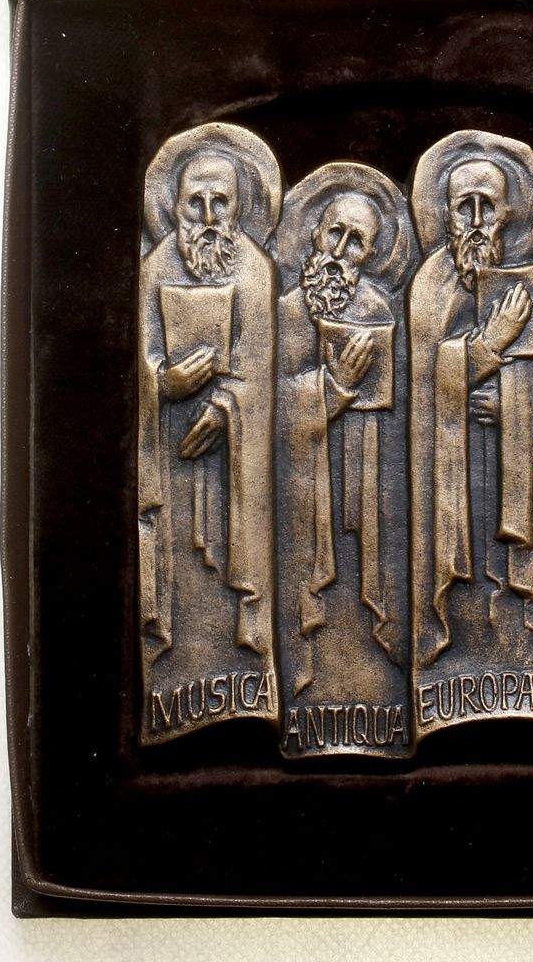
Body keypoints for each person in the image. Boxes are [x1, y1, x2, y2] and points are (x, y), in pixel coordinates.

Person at [138, 124, 282, 738]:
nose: (206, 217)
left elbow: (262, 374)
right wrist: (163, 384)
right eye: (193, 202)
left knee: (229, 573)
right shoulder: (153, 270)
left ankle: (245, 679)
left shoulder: (256, 271)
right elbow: (139, 362)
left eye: (220, 202)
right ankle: (175, 676)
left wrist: (226, 408)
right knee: (178, 567)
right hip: (171, 459)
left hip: (233, 469)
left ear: (240, 207)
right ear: (173, 208)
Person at [408, 131, 533, 730]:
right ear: (443, 215)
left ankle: (521, 667)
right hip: (450, 468)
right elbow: (423, 381)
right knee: (464, 583)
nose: (472, 221)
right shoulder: (429, 286)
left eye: (485, 207)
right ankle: (451, 660)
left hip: (509, 460)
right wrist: (489, 346)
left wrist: (513, 403)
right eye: (461, 206)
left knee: (508, 581)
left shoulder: (528, 282)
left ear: (509, 215)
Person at [275, 164, 416, 752]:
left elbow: (410, 410)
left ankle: (378, 701)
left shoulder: (383, 309)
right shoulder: (284, 311)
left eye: (356, 242)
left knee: (364, 597)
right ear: (313, 232)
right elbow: (266, 408)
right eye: (334, 233)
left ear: (372, 254)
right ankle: (304, 699)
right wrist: (331, 389)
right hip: (298, 497)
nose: (338, 251)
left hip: (369, 493)